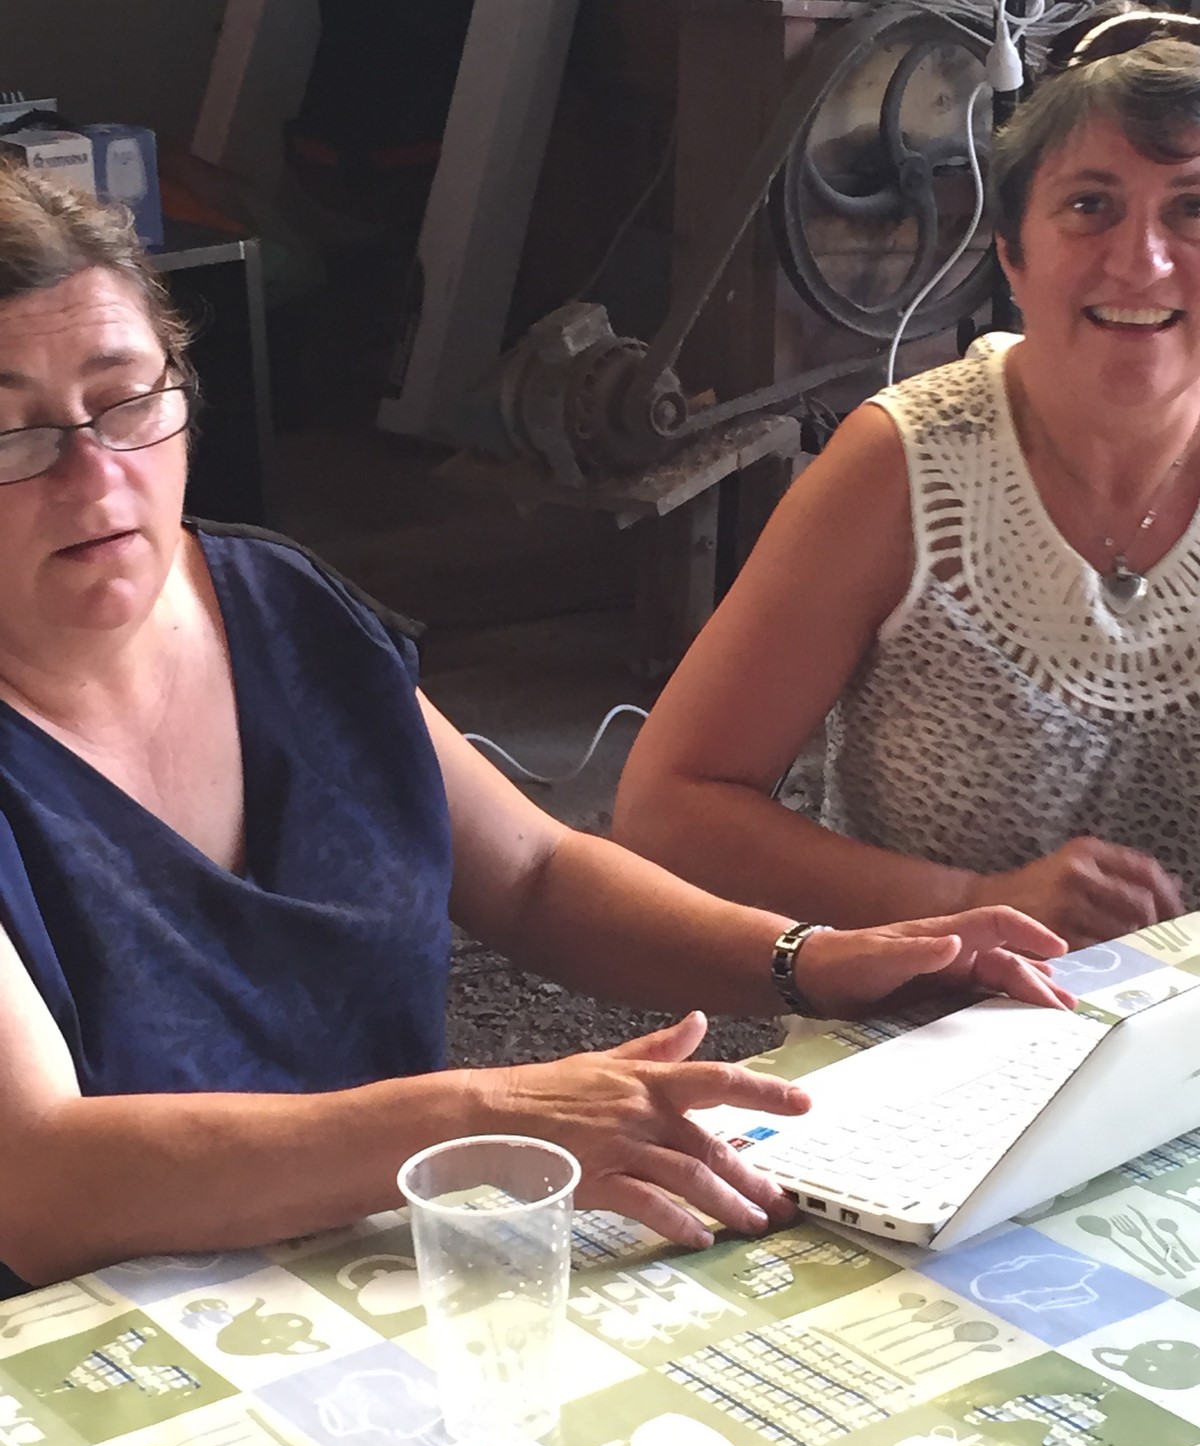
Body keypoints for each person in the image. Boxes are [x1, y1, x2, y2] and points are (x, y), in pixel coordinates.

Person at [0, 164, 1070, 1297]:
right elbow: (42, 1181)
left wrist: (810, 961)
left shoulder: (279, 607)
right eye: (10, 431)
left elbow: (534, 874)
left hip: (378, 1264)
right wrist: (490, 1115)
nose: (95, 473)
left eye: (126, 399)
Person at [614, 14, 1200, 955]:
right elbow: (667, 809)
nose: (1143, 260)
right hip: (935, 1017)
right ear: (1012, 254)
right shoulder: (907, 465)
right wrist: (971, 903)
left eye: (1193, 208)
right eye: (1091, 205)